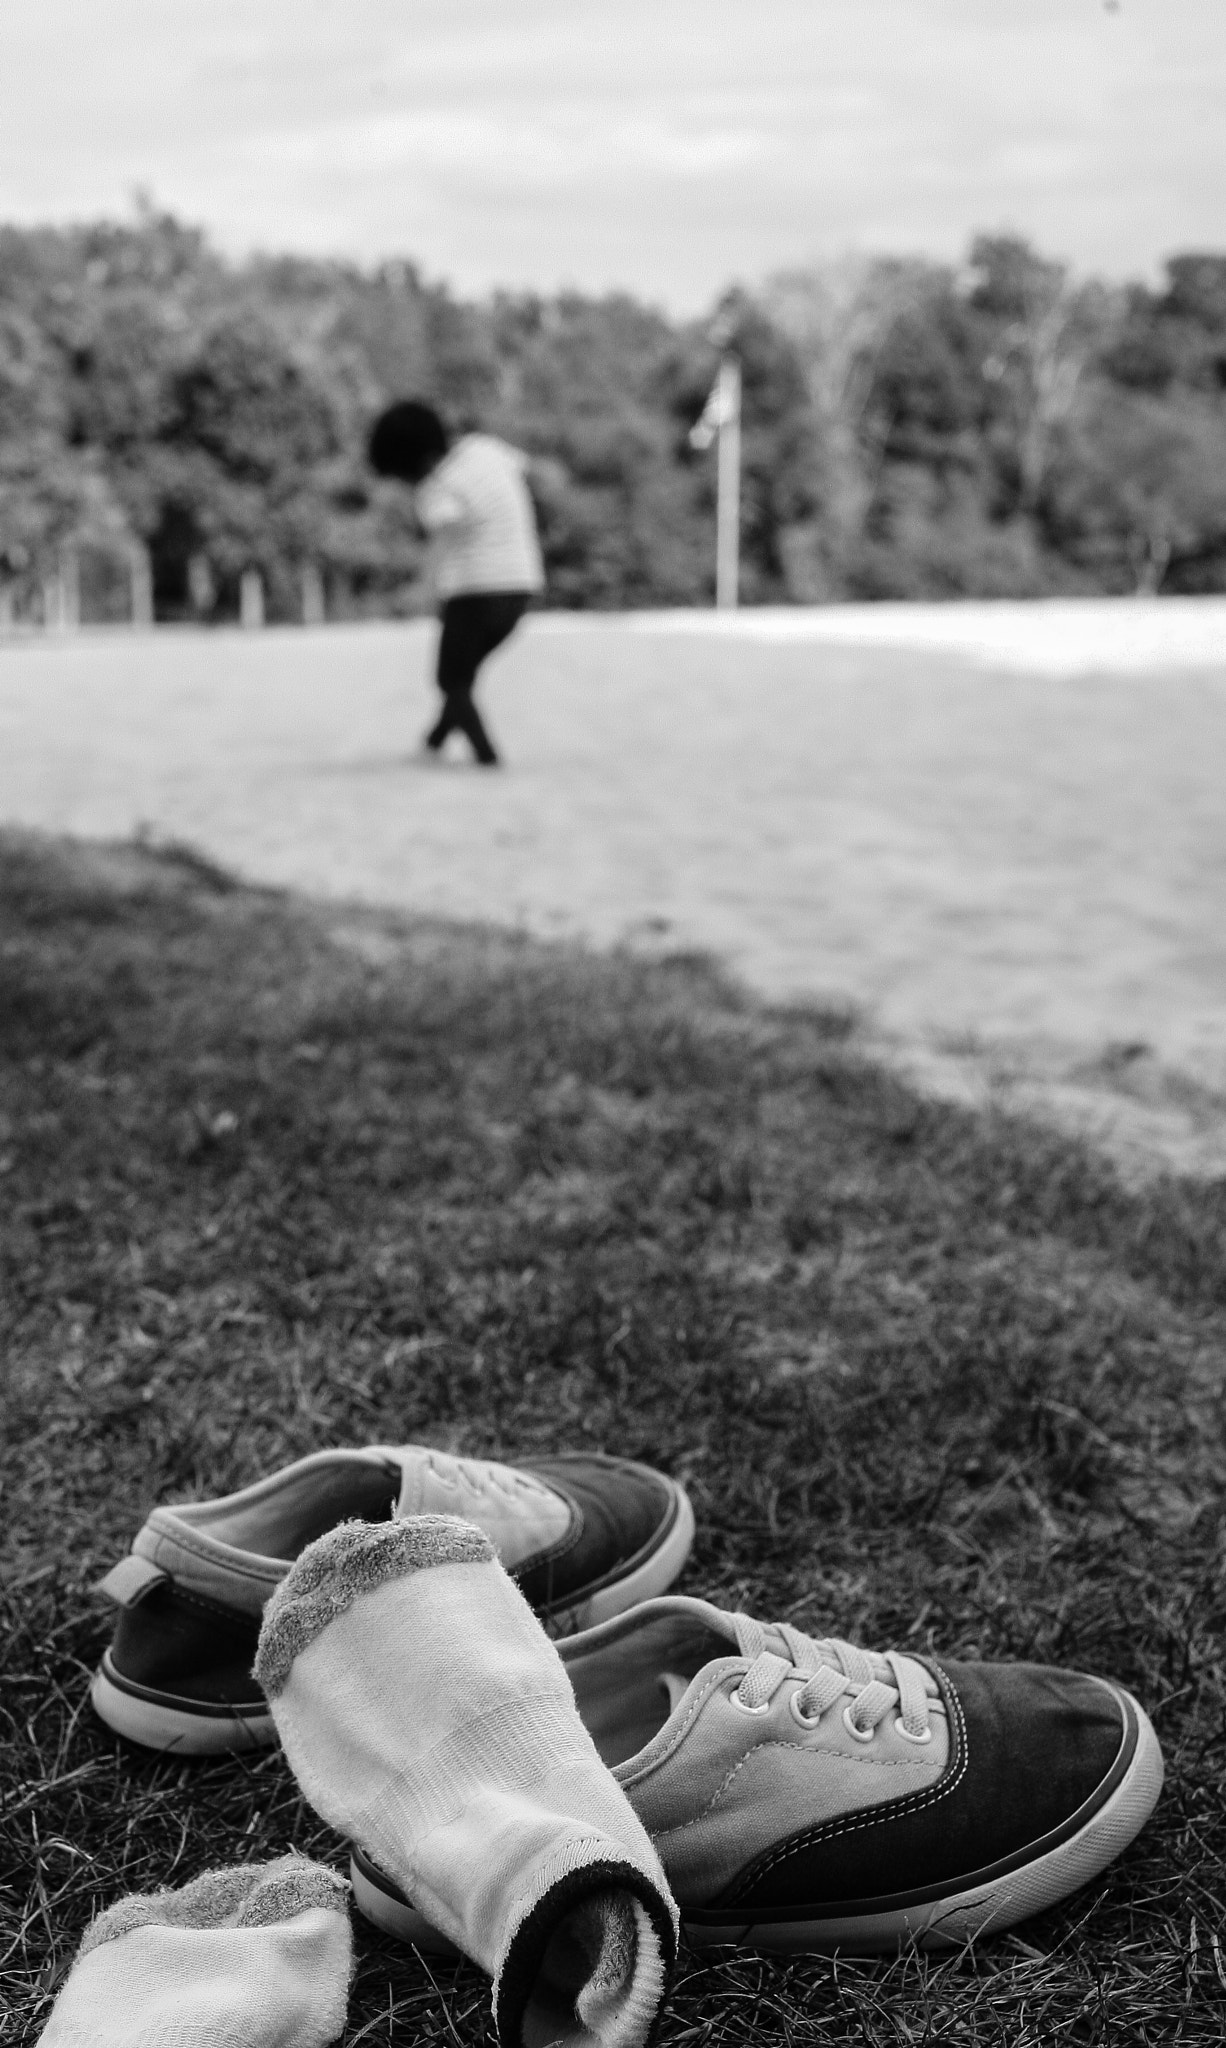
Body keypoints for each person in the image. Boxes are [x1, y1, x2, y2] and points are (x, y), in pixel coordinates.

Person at [368, 400, 544, 767]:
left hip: (474, 591)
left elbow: (441, 540)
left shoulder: (436, 487)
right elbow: (528, 468)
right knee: (462, 675)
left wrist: (419, 588)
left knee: (451, 679)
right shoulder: (485, 448)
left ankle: (486, 756)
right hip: (522, 586)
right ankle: (432, 742)